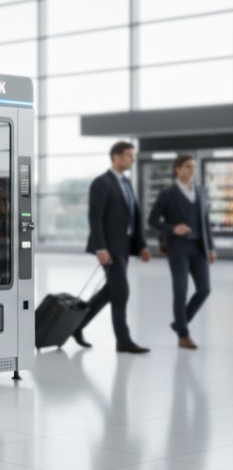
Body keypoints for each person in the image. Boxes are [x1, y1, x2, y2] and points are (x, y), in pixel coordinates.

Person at [75, 141, 151, 353]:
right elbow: (95, 218)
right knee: (121, 292)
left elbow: (133, 217)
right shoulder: (102, 183)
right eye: (128, 155)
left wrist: (142, 245)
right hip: (109, 248)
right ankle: (123, 340)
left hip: (124, 246)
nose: (132, 159)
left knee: (111, 291)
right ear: (116, 157)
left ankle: (76, 325)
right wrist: (101, 249)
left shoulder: (126, 183)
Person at [148, 154, 215, 350]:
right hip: (178, 248)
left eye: (193, 167)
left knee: (204, 290)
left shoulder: (201, 191)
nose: (191, 170)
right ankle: (183, 335)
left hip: (199, 247)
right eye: (187, 166)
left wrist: (211, 247)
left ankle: (179, 322)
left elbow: (205, 223)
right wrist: (172, 228)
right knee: (180, 292)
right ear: (177, 169)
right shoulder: (167, 194)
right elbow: (153, 220)